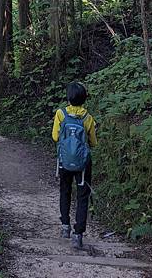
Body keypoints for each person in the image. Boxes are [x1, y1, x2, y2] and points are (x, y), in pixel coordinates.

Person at [52, 81, 97, 249]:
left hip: (64, 161)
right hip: (83, 164)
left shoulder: (60, 114)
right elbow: (93, 142)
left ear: (68, 97)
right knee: (82, 196)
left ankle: (65, 226)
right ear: (84, 98)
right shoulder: (88, 118)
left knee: (65, 190)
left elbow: (56, 137)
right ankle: (78, 234)